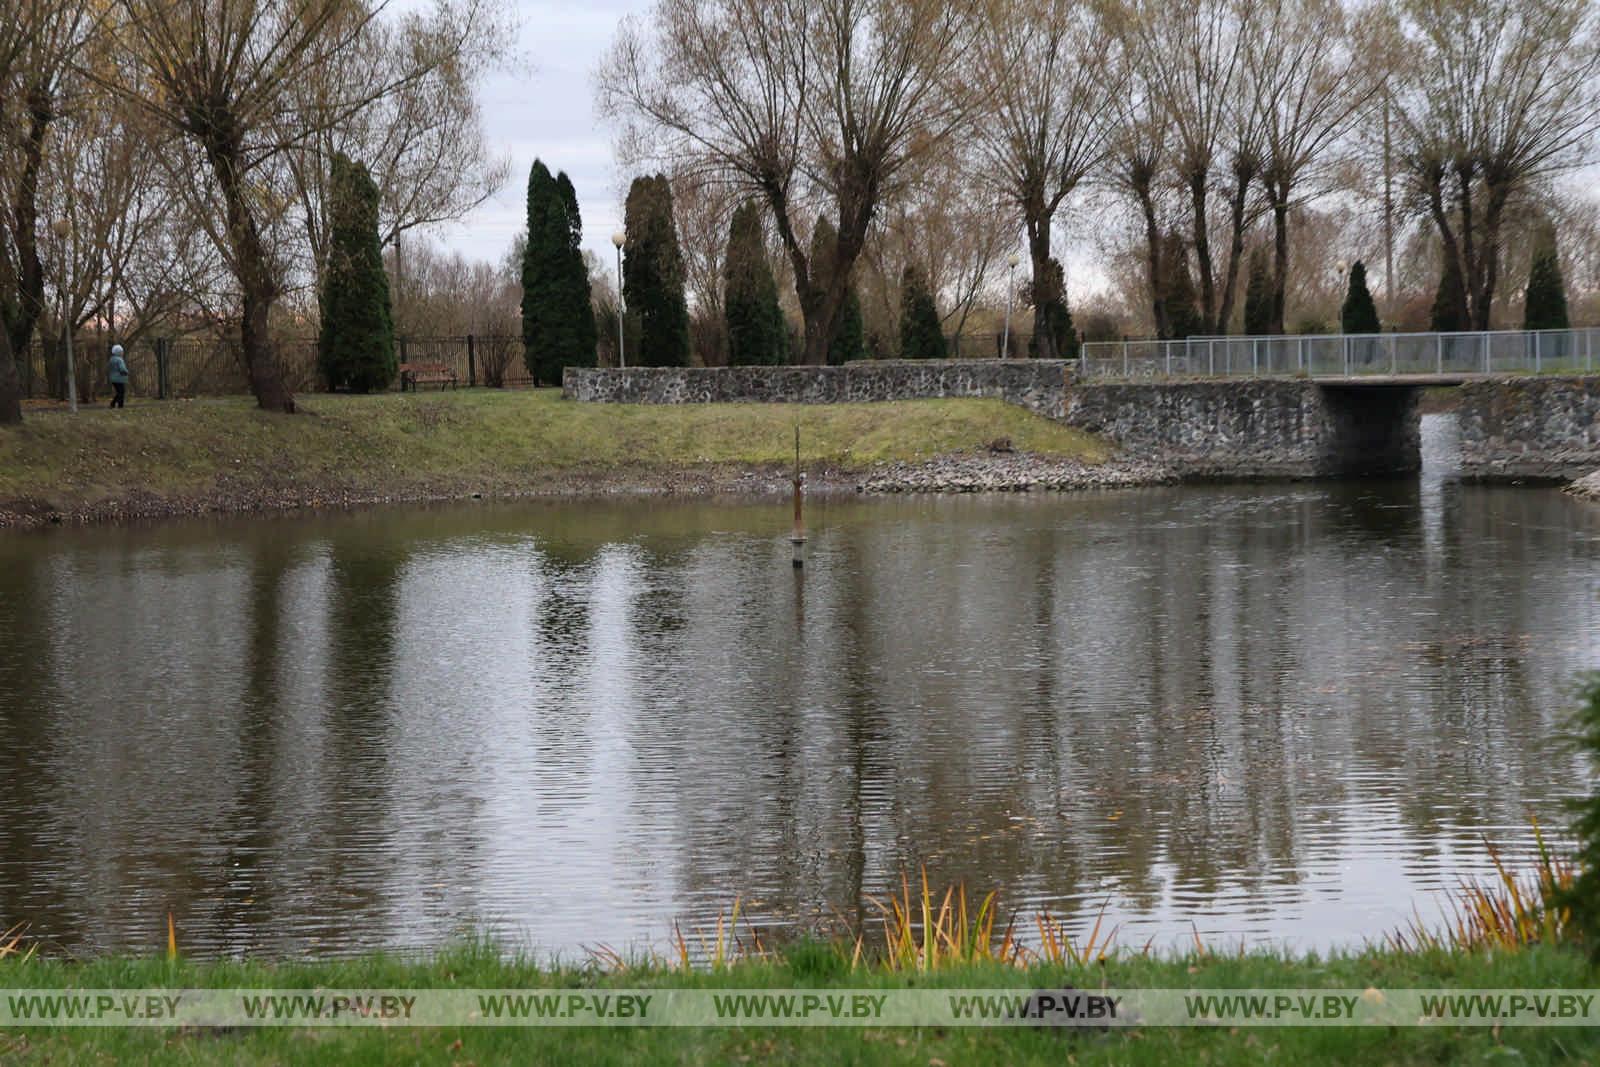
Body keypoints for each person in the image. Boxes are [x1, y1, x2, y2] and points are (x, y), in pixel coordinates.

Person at [108, 344, 128, 408]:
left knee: (119, 392)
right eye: (121, 351)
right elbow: (122, 369)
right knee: (121, 392)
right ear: (118, 352)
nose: (122, 353)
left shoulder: (111, 359)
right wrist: (126, 372)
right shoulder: (120, 360)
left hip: (113, 378)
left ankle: (113, 404)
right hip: (119, 378)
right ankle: (119, 405)